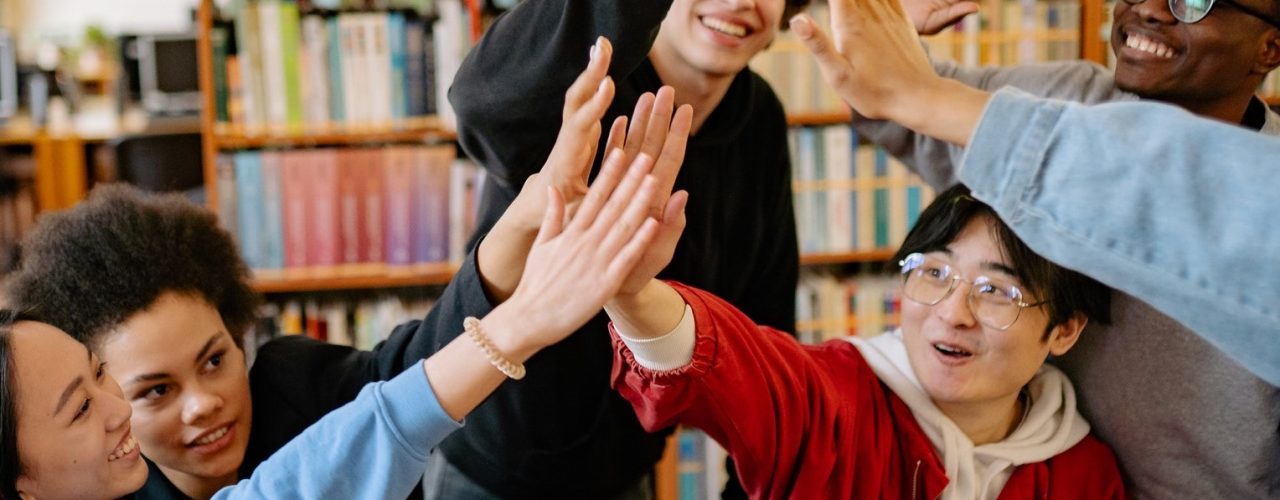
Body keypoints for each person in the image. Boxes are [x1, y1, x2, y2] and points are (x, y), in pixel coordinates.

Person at [2, 42, 691, 499]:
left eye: (215, 360)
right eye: (151, 391)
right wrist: (524, 321)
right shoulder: (111, 484)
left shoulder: (290, 383)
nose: (202, 402)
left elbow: (423, 365)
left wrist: (528, 215)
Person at [791, 0, 1280, 495]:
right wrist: (890, 38)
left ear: (1270, 47)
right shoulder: (1063, 97)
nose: (1150, 9)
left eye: (1194, 1)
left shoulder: (1264, 202)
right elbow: (895, 101)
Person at [436, 0, 814, 496]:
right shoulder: (584, 80)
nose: (739, 2)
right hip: (493, 461)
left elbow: (767, 325)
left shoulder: (759, 116)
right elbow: (479, 103)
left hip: (627, 471)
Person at [601, 183, 1124, 499]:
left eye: (995, 290)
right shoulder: (833, 398)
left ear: (1064, 329)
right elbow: (729, 359)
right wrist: (631, 292)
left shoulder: (1085, 474)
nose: (951, 312)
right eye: (934, 272)